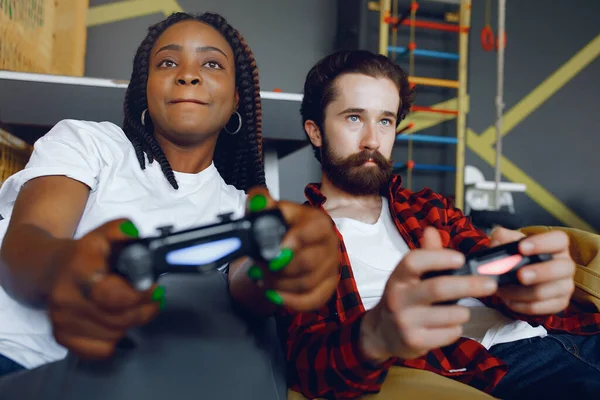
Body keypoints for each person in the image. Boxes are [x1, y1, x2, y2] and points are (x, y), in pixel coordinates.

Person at [0, 12, 339, 377]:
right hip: (16, 361)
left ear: (237, 98)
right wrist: (67, 269)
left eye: (211, 64)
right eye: (167, 62)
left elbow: (247, 282)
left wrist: (282, 265)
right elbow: (27, 242)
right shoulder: (89, 143)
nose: (188, 74)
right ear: (145, 88)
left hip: (125, 384)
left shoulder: (240, 207)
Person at [279, 49, 600, 400]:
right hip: (499, 367)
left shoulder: (428, 207)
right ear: (316, 132)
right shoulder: (299, 237)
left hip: (571, 334)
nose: (373, 139)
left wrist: (523, 277)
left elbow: (485, 262)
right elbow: (307, 362)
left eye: (385, 121)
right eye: (354, 118)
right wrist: (375, 334)